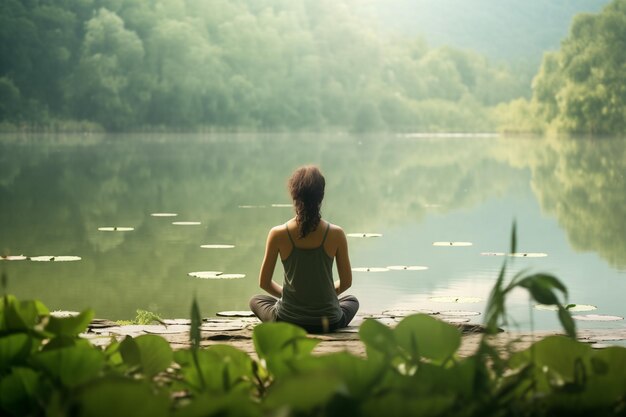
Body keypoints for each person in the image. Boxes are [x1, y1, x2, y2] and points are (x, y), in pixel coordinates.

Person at [249, 165, 359, 333]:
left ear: (294, 195)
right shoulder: (336, 234)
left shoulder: (277, 234)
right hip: (328, 321)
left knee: (256, 300)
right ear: (321, 196)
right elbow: (346, 282)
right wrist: (324, 297)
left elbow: (264, 282)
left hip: (287, 320)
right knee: (351, 301)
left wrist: (292, 298)